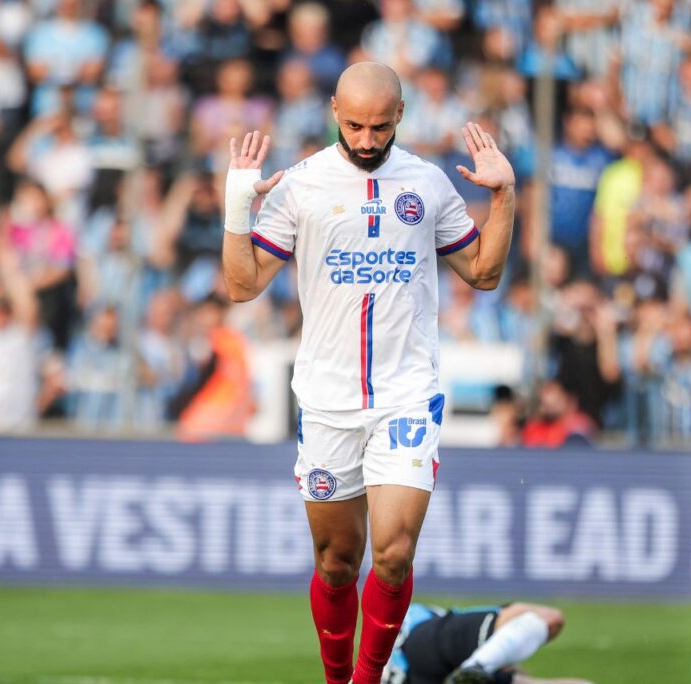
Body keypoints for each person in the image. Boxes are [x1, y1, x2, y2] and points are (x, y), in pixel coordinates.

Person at [222, 62, 515, 684]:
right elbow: (243, 284)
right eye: (354, 125)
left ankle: (367, 680)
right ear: (333, 110)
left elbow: (484, 273)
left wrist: (503, 195)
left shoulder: (429, 184)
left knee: (393, 553)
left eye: (379, 127)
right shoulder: (302, 186)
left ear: (400, 117)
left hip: (407, 397)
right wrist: (237, 204)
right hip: (327, 403)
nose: (365, 139)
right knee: (336, 562)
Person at [382, 601, 591, 684]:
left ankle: (477, 667)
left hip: (417, 672)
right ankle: (477, 666)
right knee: (550, 618)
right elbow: (513, 612)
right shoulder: (425, 619)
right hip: (417, 643)